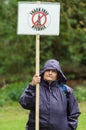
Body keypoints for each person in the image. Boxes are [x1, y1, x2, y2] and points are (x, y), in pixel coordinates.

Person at [19, 59, 80, 130]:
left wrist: (70, 128)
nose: (50, 73)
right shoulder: (36, 88)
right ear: (43, 72)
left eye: (53, 71)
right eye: (48, 70)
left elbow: (74, 113)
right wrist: (32, 85)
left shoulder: (66, 91)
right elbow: (25, 103)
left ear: (58, 74)